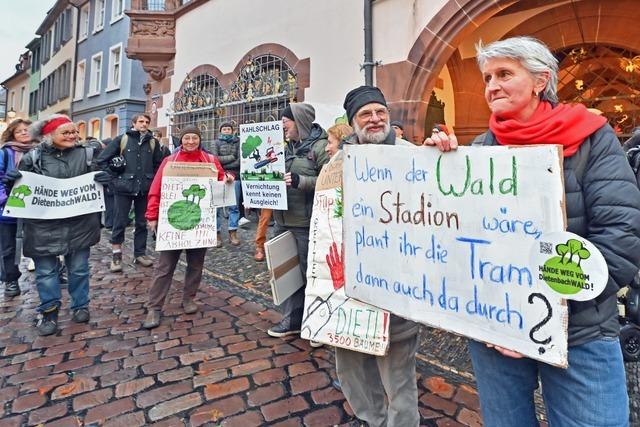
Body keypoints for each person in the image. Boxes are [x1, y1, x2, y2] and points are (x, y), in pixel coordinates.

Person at [425, 36, 640, 426]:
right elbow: (456, 240)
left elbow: (621, 238)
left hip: (580, 332)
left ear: (541, 80)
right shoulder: (478, 149)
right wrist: (438, 167)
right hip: (496, 331)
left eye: (505, 73)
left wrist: (538, 316)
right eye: (488, 76)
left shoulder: (592, 138)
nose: (492, 85)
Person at [333, 86, 420, 427]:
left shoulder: (413, 156)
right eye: (365, 114)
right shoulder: (338, 162)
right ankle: (371, 419)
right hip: (349, 286)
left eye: (379, 112)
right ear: (353, 122)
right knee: (351, 362)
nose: (374, 119)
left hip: (398, 284)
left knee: (397, 370)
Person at [2, 115, 111, 335]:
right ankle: (49, 310)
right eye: (66, 132)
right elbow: (23, 191)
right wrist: (13, 181)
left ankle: (80, 305)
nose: (72, 136)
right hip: (43, 226)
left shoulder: (87, 154)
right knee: (45, 271)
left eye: (74, 132)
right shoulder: (33, 158)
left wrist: (104, 180)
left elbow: (98, 182)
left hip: (79, 224)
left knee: (79, 269)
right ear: (50, 136)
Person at [142, 125, 232, 328]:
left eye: (194, 138)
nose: (190, 141)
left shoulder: (210, 161)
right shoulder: (169, 161)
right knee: (164, 267)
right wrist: (152, 215)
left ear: (200, 140)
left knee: (196, 264)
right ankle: (154, 307)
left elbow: (221, 182)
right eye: (187, 138)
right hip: (172, 224)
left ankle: (189, 298)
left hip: (199, 223)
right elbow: (156, 189)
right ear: (181, 140)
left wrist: (228, 179)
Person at [266, 103, 330, 337]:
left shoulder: (322, 147)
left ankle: (317, 323)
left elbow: (330, 182)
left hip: (306, 223)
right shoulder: (283, 147)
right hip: (282, 220)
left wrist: (300, 181)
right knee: (285, 274)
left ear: (300, 121)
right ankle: (292, 320)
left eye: (287, 121)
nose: (283, 126)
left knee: (309, 274)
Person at [97, 113, 163, 272]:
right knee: (119, 222)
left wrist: (152, 180)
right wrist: (114, 177)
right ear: (134, 123)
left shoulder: (153, 142)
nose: (144, 124)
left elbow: (158, 164)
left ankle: (140, 253)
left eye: (147, 122)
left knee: (141, 223)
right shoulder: (122, 139)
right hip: (124, 187)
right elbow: (102, 160)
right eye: (141, 121)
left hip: (144, 189)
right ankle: (116, 255)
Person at [0, 119, 34, 297]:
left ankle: (52, 273)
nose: (24, 133)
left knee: (40, 242)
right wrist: (4, 198)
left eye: (27, 130)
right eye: (19, 131)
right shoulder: (5, 153)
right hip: (9, 208)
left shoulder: (40, 151)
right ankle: (11, 280)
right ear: (12, 134)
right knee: (8, 247)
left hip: (35, 208)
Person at [211, 122, 241, 246]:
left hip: (235, 176)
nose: (227, 131)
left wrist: (228, 162)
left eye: (229, 129)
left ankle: (233, 233)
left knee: (234, 206)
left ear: (232, 130)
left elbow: (239, 160)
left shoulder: (238, 142)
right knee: (217, 207)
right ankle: (217, 234)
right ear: (220, 131)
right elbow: (214, 159)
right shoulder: (215, 143)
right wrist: (231, 158)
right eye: (224, 129)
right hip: (218, 175)